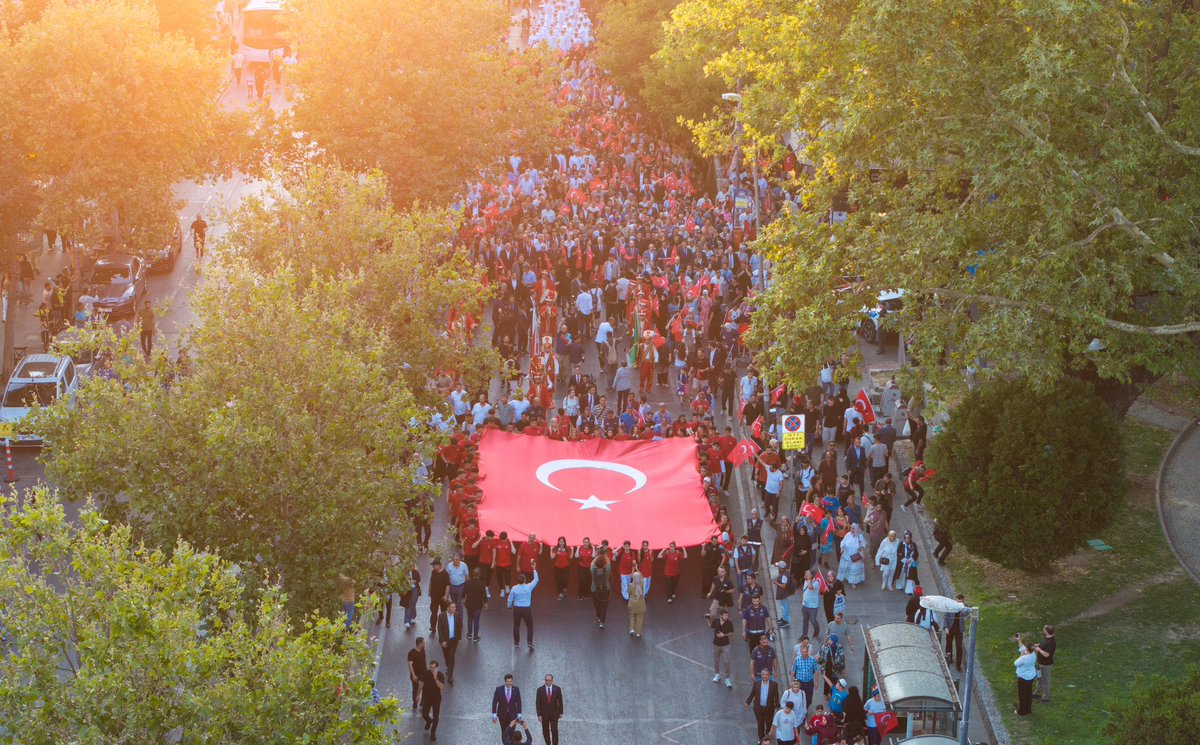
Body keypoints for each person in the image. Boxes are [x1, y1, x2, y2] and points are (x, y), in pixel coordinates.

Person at [745, 668, 781, 741]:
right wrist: (747, 702)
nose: (764, 676)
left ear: (769, 675)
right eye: (763, 674)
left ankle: (767, 739)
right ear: (761, 675)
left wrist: (778, 707)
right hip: (758, 708)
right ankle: (761, 739)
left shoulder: (774, 685)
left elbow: (776, 696)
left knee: (769, 724)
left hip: (769, 709)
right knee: (760, 725)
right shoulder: (756, 683)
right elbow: (752, 693)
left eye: (766, 675)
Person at [508, 569, 539, 650]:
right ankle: (529, 642)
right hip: (526, 609)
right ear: (525, 580)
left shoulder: (514, 588)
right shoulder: (529, 587)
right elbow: (536, 580)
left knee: (516, 626)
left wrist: (509, 606)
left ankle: (516, 642)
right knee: (529, 626)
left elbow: (510, 599)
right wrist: (534, 569)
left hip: (517, 609)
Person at [435, 601, 463, 685]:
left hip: (454, 641)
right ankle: (448, 666)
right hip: (445, 641)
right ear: (448, 608)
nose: (455, 608)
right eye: (453, 607)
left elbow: (459, 626)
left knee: (451, 656)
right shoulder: (441, 616)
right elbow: (439, 629)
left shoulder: (457, 615)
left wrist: (459, 638)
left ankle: (450, 675)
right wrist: (442, 641)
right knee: (446, 656)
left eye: (455, 607)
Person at [535, 673, 564, 745]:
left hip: (554, 713)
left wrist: (561, 712)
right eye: (546, 680)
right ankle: (548, 743)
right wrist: (539, 715)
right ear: (545, 680)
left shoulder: (557, 689)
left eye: (549, 680)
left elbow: (560, 701)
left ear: (552, 680)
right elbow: (537, 703)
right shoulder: (540, 690)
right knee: (545, 730)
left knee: (554, 730)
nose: (548, 682)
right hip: (544, 714)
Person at [492, 674, 523, 738]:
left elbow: (519, 702)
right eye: (507, 681)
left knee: (511, 732)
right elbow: (495, 702)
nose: (509, 683)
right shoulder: (498, 689)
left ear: (512, 681)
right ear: (505, 681)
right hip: (502, 715)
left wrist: (519, 714)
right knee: (504, 732)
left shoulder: (516, 689)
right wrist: (494, 715)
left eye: (510, 681)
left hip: (513, 715)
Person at [837, 523, 867, 588]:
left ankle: (853, 582)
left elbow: (864, 544)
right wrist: (842, 548)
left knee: (854, 568)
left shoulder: (860, 536)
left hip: (856, 555)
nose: (852, 530)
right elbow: (843, 542)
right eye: (851, 528)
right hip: (847, 554)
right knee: (847, 566)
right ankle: (846, 577)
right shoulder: (848, 535)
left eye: (853, 529)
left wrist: (861, 548)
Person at [420, 660, 445, 740]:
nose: (431, 669)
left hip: (436, 699)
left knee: (436, 717)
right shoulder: (426, 673)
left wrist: (435, 678)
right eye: (430, 667)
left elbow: (441, 687)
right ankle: (428, 721)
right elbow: (421, 684)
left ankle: (433, 733)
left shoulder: (440, 675)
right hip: (427, 698)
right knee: (424, 714)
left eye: (433, 668)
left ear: (437, 668)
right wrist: (417, 695)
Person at [711, 607, 734, 688]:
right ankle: (717, 674)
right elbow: (711, 626)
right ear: (720, 615)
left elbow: (732, 632)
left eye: (727, 615)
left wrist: (724, 635)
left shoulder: (729, 623)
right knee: (716, 661)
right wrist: (707, 619)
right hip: (716, 645)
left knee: (726, 662)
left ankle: (727, 679)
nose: (726, 617)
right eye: (724, 615)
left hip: (726, 645)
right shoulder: (716, 621)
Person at [1014, 638, 1038, 716]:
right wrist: (1019, 640)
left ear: (1027, 650)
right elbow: (1023, 648)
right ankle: (1028, 710)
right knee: (1028, 693)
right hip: (1031, 676)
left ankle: (1021, 711)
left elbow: (1016, 663)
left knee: (1022, 694)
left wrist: (1022, 654)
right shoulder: (1034, 655)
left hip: (1023, 678)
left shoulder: (1024, 658)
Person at [464, 567, 488, 642]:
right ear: (479, 575)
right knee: (476, 621)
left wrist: (463, 601)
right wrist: (485, 604)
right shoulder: (481, 584)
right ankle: (475, 637)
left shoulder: (467, 582)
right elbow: (484, 595)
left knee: (469, 619)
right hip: (478, 605)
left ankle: (469, 634)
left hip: (469, 604)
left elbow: (463, 593)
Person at [944, 593, 967, 672]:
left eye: (960, 601)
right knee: (949, 644)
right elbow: (945, 616)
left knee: (959, 647)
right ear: (955, 600)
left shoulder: (963, 608)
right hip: (950, 628)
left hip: (959, 630)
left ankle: (958, 664)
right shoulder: (950, 606)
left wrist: (963, 608)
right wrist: (945, 627)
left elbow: (966, 615)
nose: (958, 603)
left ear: (962, 601)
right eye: (957, 601)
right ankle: (949, 659)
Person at [590, 549, 612, 629]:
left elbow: (592, 563)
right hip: (606, 590)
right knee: (604, 606)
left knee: (597, 604)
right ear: (603, 565)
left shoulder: (593, 570)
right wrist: (604, 554)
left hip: (594, 590)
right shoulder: (606, 570)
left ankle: (598, 615)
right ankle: (602, 622)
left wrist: (598, 555)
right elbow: (608, 562)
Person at [1035, 624, 1056, 703]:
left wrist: (1038, 650)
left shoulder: (1052, 642)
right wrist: (1036, 645)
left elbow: (1047, 654)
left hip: (1045, 665)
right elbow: (1043, 644)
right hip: (1040, 663)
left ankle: (1045, 698)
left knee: (1046, 681)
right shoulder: (1047, 637)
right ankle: (1037, 693)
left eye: (1044, 628)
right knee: (1039, 678)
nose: (1043, 629)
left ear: (1046, 631)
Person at [406, 637, 426, 709]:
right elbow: (410, 664)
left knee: (425, 687)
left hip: (423, 672)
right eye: (423, 643)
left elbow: (424, 661)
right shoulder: (411, 653)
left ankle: (422, 702)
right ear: (420, 644)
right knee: (415, 688)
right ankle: (415, 702)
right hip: (415, 673)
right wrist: (413, 675)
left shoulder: (423, 650)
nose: (424, 644)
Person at [627, 568, 646, 638]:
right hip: (641, 604)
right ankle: (638, 632)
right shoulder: (641, 584)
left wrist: (632, 569)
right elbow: (642, 576)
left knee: (632, 616)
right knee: (639, 618)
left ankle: (632, 629)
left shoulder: (631, 585)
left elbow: (628, 592)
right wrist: (637, 569)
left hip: (632, 604)